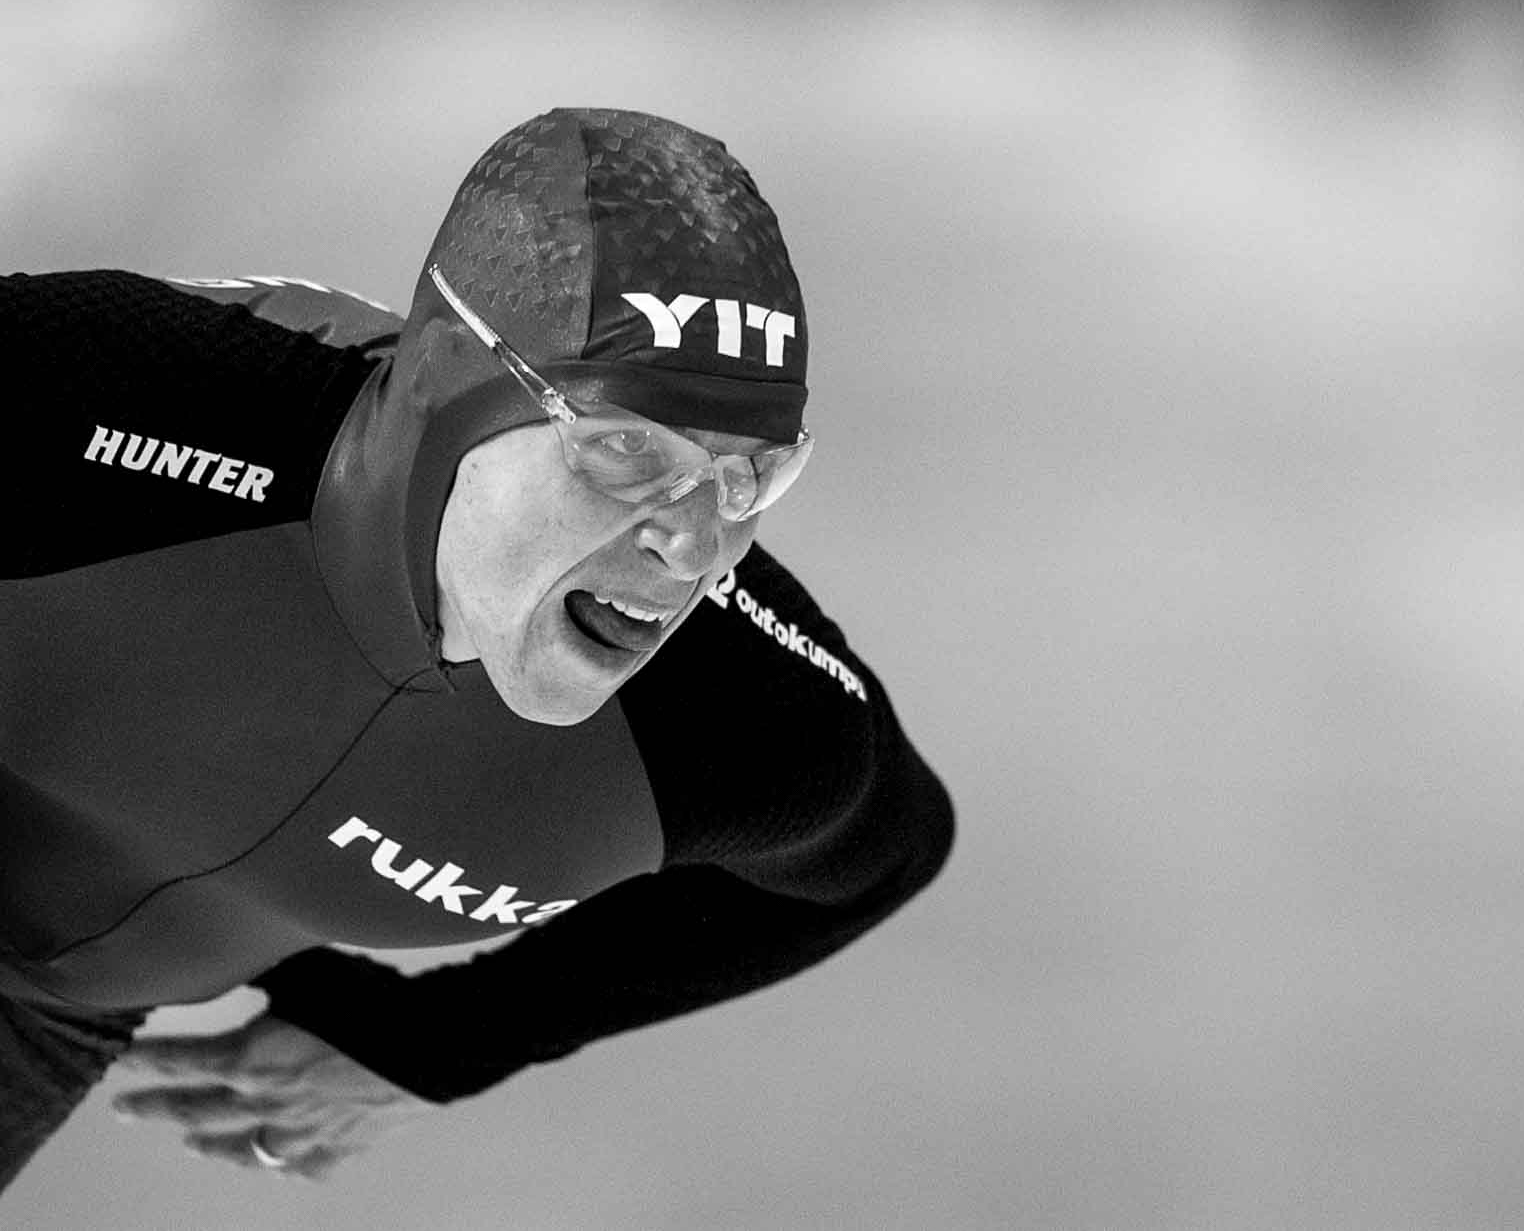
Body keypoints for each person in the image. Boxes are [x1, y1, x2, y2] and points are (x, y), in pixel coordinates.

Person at [0, 107, 954, 1188]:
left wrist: (442, 1039)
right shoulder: (84, 403)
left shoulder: (737, 721)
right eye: (627, 448)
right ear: (449, 384)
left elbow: (883, 856)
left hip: (54, 1017)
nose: (693, 545)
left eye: (747, 476)